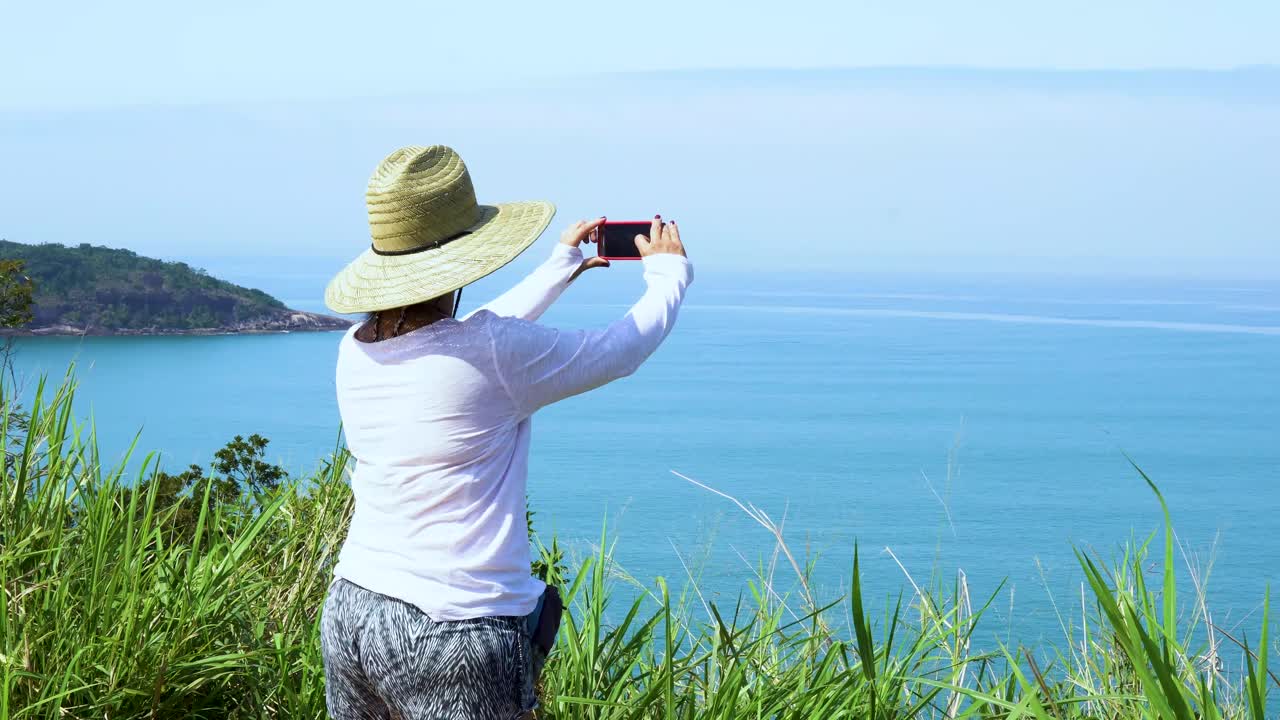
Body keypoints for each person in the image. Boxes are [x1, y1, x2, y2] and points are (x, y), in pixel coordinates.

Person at [318, 145, 693, 720]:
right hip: (453, 629)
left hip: (353, 609)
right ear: (465, 257)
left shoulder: (356, 350)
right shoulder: (491, 352)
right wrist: (668, 274)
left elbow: (468, 338)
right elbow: (618, 350)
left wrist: (559, 268)